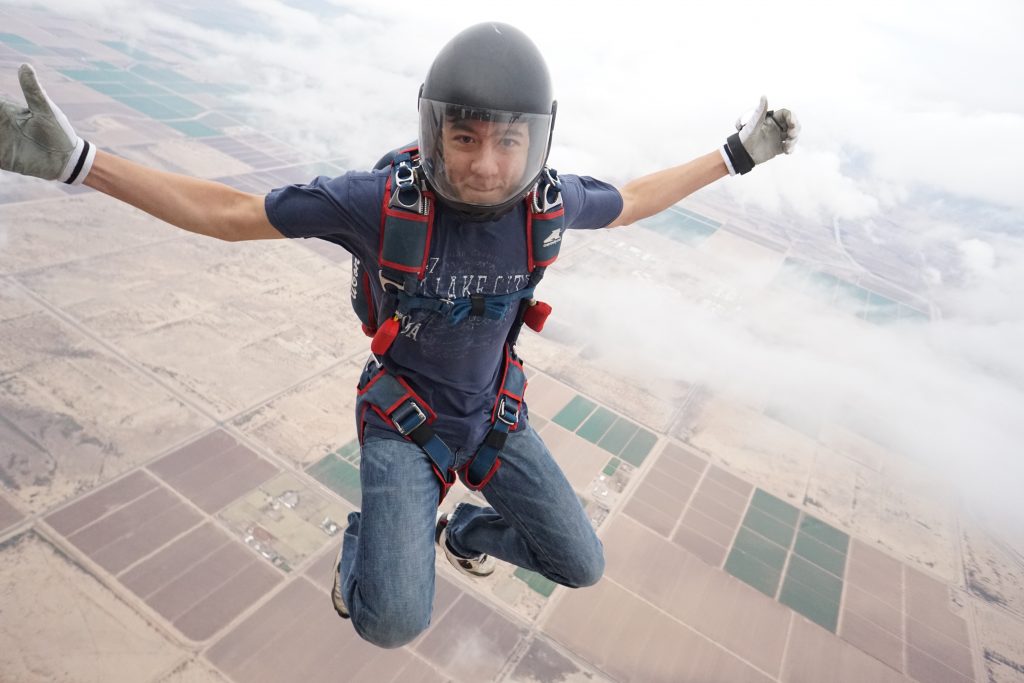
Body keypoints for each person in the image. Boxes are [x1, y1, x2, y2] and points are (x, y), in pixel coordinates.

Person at [0, 22, 798, 649]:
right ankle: (366, 545)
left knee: (580, 564)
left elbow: (633, 197)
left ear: (538, 140)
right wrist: (82, 163)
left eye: (507, 140)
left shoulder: (544, 206)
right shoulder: (381, 204)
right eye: (465, 137)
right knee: (388, 621)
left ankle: (465, 530)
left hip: (492, 416)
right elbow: (230, 214)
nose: (486, 164)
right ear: (433, 132)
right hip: (403, 425)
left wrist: (735, 156)